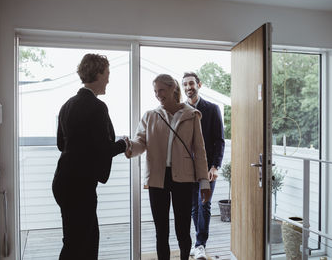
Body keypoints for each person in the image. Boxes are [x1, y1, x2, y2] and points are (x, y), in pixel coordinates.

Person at [125, 74, 211, 260]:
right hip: (158, 178)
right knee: (161, 230)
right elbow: (140, 142)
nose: (158, 95)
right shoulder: (150, 116)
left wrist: (204, 182)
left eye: (161, 90)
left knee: (182, 229)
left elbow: (200, 150)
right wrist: (129, 147)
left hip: (184, 178)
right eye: (155, 91)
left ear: (173, 89)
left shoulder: (192, 115)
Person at [52, 54, 129, 260]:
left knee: (83, 238)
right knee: (78, 243)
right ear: (97, 73)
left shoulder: (67, 105)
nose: (108, 79)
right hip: (79, 186)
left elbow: (62, 144)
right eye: (107, 74)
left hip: (63, 181)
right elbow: (103, 149)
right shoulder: (97, 106)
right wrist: (124, 144)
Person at [182, 72, 225, 259]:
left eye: (191, 83)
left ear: (199, 84)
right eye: (184, 85)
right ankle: (198, 242)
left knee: (204, 204)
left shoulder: (212, 109)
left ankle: (200, 244)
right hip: (187, 169)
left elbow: (219, 141)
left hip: (207, 168)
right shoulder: (181, 110)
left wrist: (215, 166)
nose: (188, 87)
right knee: (193, 206)